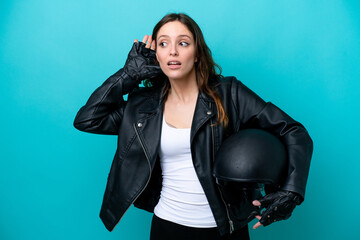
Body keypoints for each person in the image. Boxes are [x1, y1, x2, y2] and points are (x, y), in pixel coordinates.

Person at [73, 12, 313, 240]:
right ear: (156, 55)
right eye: (164, 44)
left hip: (224, 229)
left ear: (197, 54)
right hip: (166, 226)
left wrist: (292, 191)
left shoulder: (229, 93)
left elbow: (294, 131)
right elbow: (88, 119)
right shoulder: (143, 105)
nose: (173, 52)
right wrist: (127, 75)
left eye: (183, 43)